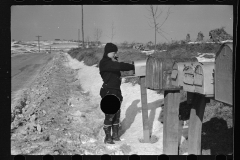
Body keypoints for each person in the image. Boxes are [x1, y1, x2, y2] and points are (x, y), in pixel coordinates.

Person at [99, 43, 135, 144]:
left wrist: (115, 61)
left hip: (116, 91)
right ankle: (107, 137)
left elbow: (116, 68)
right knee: (110, 114)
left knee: (116, 115)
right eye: (113, 52)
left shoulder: (111, 62)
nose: (115, 54)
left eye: (116, 53)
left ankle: (115, 135)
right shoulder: (105, 63)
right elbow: (119, 66)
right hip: (109, 91)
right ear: (107, 52)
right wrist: (133, 66)